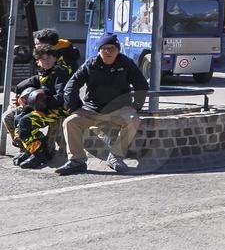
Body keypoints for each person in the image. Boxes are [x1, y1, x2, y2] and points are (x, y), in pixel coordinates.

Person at [55, 34, 150, 176]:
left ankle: (116, 157)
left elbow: (141, 85)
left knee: (133, 119)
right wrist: (75, 108)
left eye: (112, 48)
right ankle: (77, 161)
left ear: (118, 50)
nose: (108, 52)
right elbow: (70, 86)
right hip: (92, 110)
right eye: (104, 48)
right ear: (99, 50)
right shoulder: (90, 64)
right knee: (70, 122)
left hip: (119, 109)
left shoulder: (126, 63)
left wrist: (135, 106)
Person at [5, 44, 74, 168]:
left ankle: (40, 153)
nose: (46, 61)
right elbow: (29, 82)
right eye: (43, 59)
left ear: (54, 58)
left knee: (26, 122)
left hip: (59, 109)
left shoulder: (60, 72)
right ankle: (30, 150)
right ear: (38, 62)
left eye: (49, 58)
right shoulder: (44, 73)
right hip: (45, 108)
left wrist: (41, 103)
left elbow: (61, 96)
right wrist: (20, 92)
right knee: (17, 118)